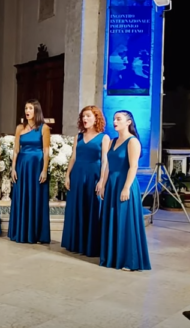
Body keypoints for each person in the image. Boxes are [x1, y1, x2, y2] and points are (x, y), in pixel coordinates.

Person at [100, 110, 151, 271]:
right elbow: (108, 166)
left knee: (125, 221)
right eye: (114, 119)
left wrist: (126, 187)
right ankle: (113, 257)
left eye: (118, 119)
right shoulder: (112, 141)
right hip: (112, 184)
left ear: (128, 122)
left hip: (125, 183)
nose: (115, 122)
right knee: (112, 219)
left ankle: (130, 261)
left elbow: (133, 166)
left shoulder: (132, 141)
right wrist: (103, 183)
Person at [62, 106, 109, 257]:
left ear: (96, 118)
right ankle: (76, 243)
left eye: (88, 116)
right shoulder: (79, 137)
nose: (85, 119)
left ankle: (91, 245)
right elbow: (73, 157)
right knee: (77, 207)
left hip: (93, 175)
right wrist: (67, 175)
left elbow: (105, 161)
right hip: (77, 175)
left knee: (92, 208)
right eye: (83, 116)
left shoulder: (104, 138)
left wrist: (102, 180)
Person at [9, 99, 51, 244]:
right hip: (22, 165)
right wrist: (13, 168)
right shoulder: (20, 128)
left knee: (36, 197)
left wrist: (44, 170)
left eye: (30, 108)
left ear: (36, 111)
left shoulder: (44, 128)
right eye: (26, 108)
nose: (27, 111)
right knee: (21, 196)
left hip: (36, 166)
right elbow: (16, 150)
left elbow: (46, 151)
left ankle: (36, 233)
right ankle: (21, 231)